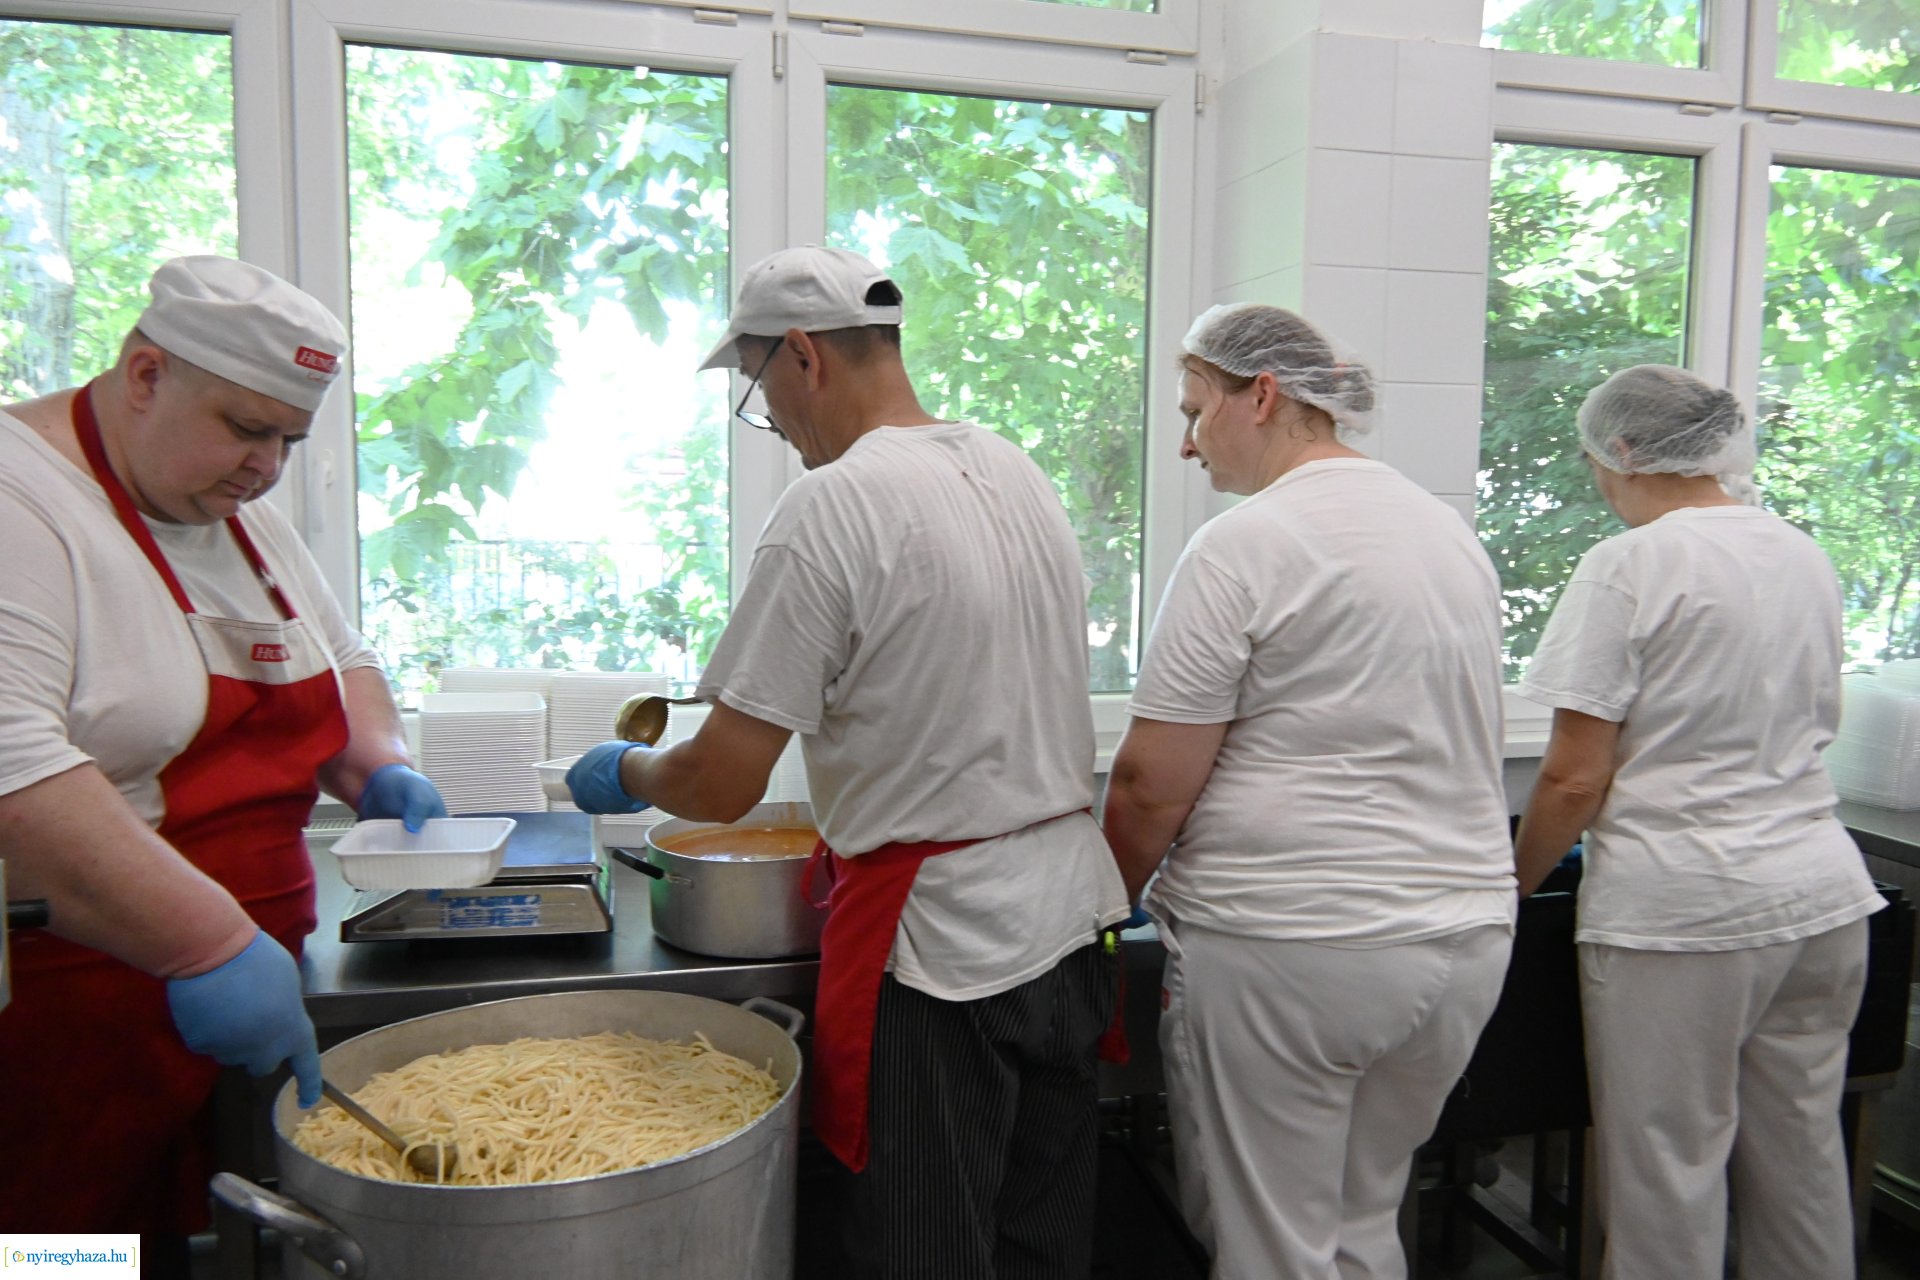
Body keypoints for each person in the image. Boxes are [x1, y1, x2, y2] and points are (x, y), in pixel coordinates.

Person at [566, 245, 1130, 1278]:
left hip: (948, 949)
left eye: (760, 388)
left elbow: (723, 782)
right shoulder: (1015, 468)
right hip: (1070, 922)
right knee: (1042, 1237)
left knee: (927, 1248)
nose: (771, 420)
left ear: (801, 358)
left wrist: (624, 770)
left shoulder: (831, 506)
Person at [0, 257, 445, 1263]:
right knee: (58, 1250)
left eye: (289, 439)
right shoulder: (22, 497)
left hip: (236, 995)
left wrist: (375, 763)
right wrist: (205, 942)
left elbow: (347, 658)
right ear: (146, 373)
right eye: (247, 428)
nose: (267, 466)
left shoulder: (235, 511)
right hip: (72, 1005)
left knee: (182, 1246)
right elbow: (11, 767)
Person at [1101, 302, 1517, 1279]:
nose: (1186, 444)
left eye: (1195, 410)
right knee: (1361, 1219)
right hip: (1457, 942)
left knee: (1270, 1243)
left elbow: (1150, 782)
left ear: (1263, 393)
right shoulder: (1445, 534)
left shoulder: (1248, 544)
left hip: (1295, 947)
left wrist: (1092, 912)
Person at [1512, 364, 1883, 1280]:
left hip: (1686, 916)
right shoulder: (1798, 550)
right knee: (1800, 1155)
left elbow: (1571, 777)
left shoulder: (1629, 563)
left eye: (1595, 458)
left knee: (1667, 1172)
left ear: (1625, 450)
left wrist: (1508, 884)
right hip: (1820, 900)